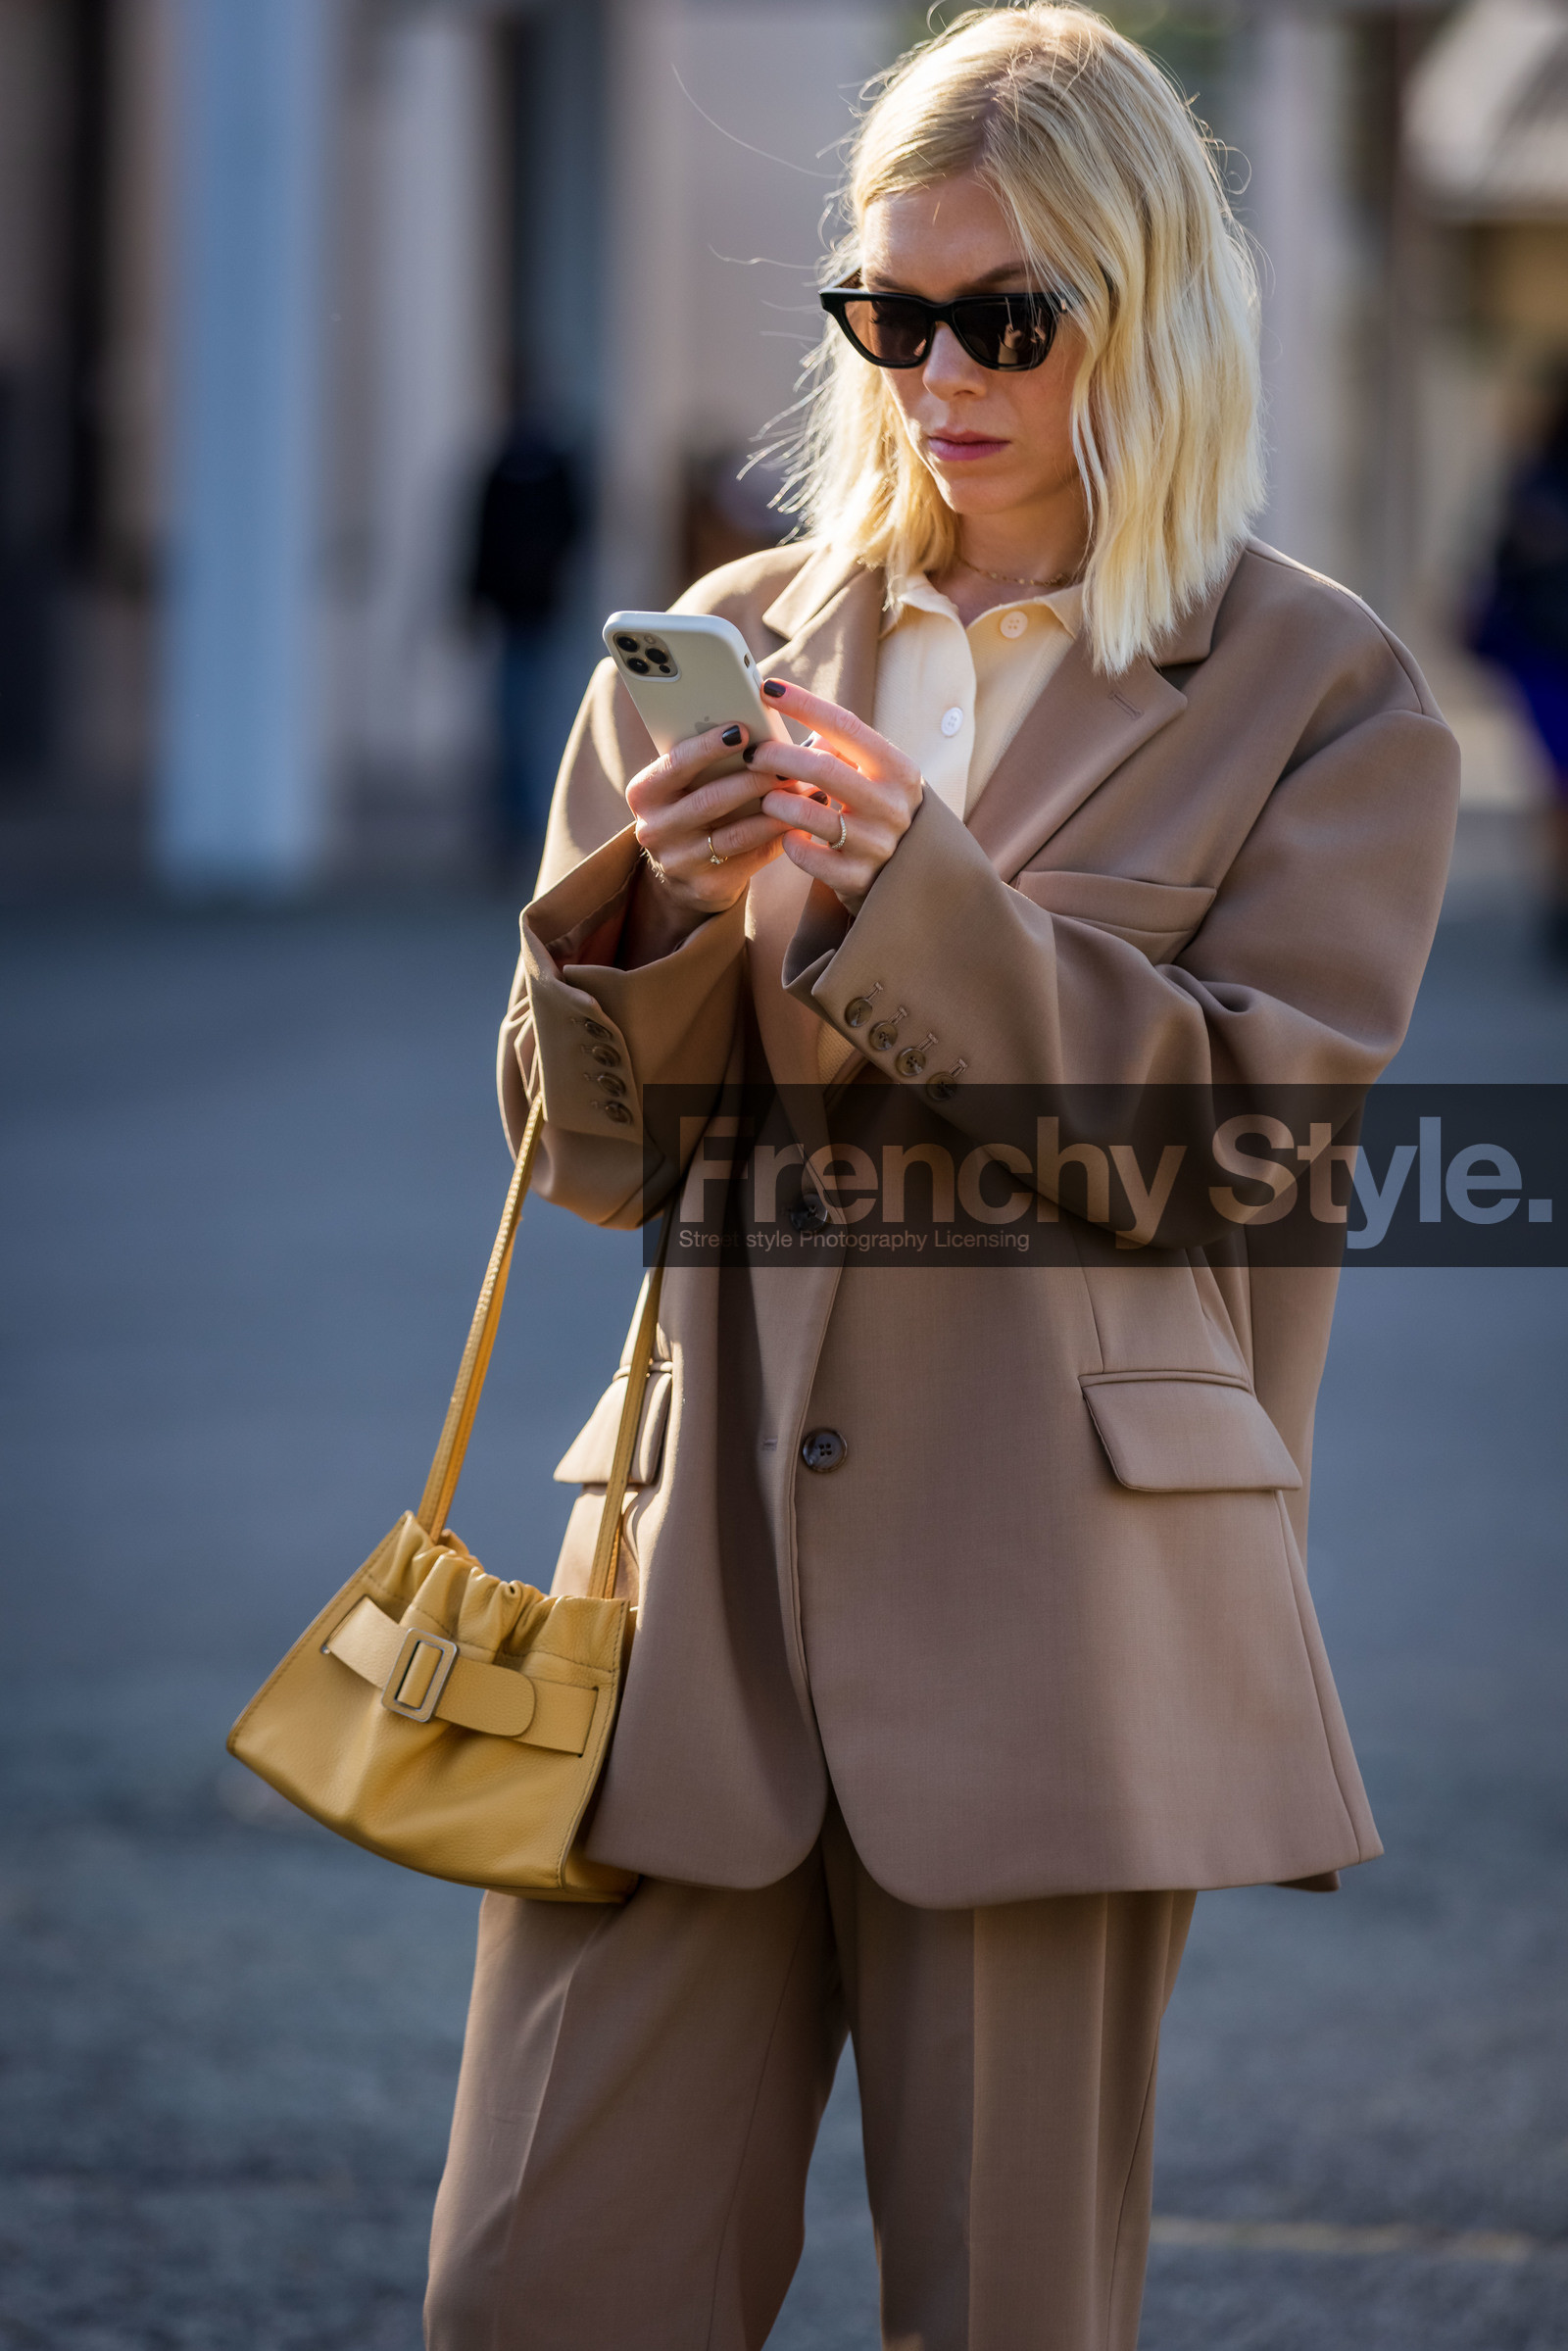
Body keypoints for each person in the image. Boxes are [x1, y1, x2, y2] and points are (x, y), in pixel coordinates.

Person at [426, 11, 1459, 2348]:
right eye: (890, 315)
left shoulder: (1318, 692)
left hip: (1059, 1614)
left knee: (1002, 2306)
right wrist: (654, 919)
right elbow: (591, 1158)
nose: (938, 372)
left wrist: (910, 897)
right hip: (683, 1584)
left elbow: (1241, 1145)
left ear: (1148, 308)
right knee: (533, 2287)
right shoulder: (733, 652)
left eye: (1007, 315)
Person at [1471, 371, 1568, 967]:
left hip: (1542, 651)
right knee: (1556, 783)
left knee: (1555, 786)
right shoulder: (1536, 476)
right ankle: (1557, 902)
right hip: (1546, 650)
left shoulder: (1535, 475)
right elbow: (1503, 556)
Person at [468, 418, 583, 872]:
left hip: (545, 611)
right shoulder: (501, 466)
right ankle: (517, 820)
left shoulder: (554, 467)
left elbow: (573, 529)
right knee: (512, 719)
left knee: (540, 716)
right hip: (512, 615)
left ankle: (540, 820)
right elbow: (480, 536)